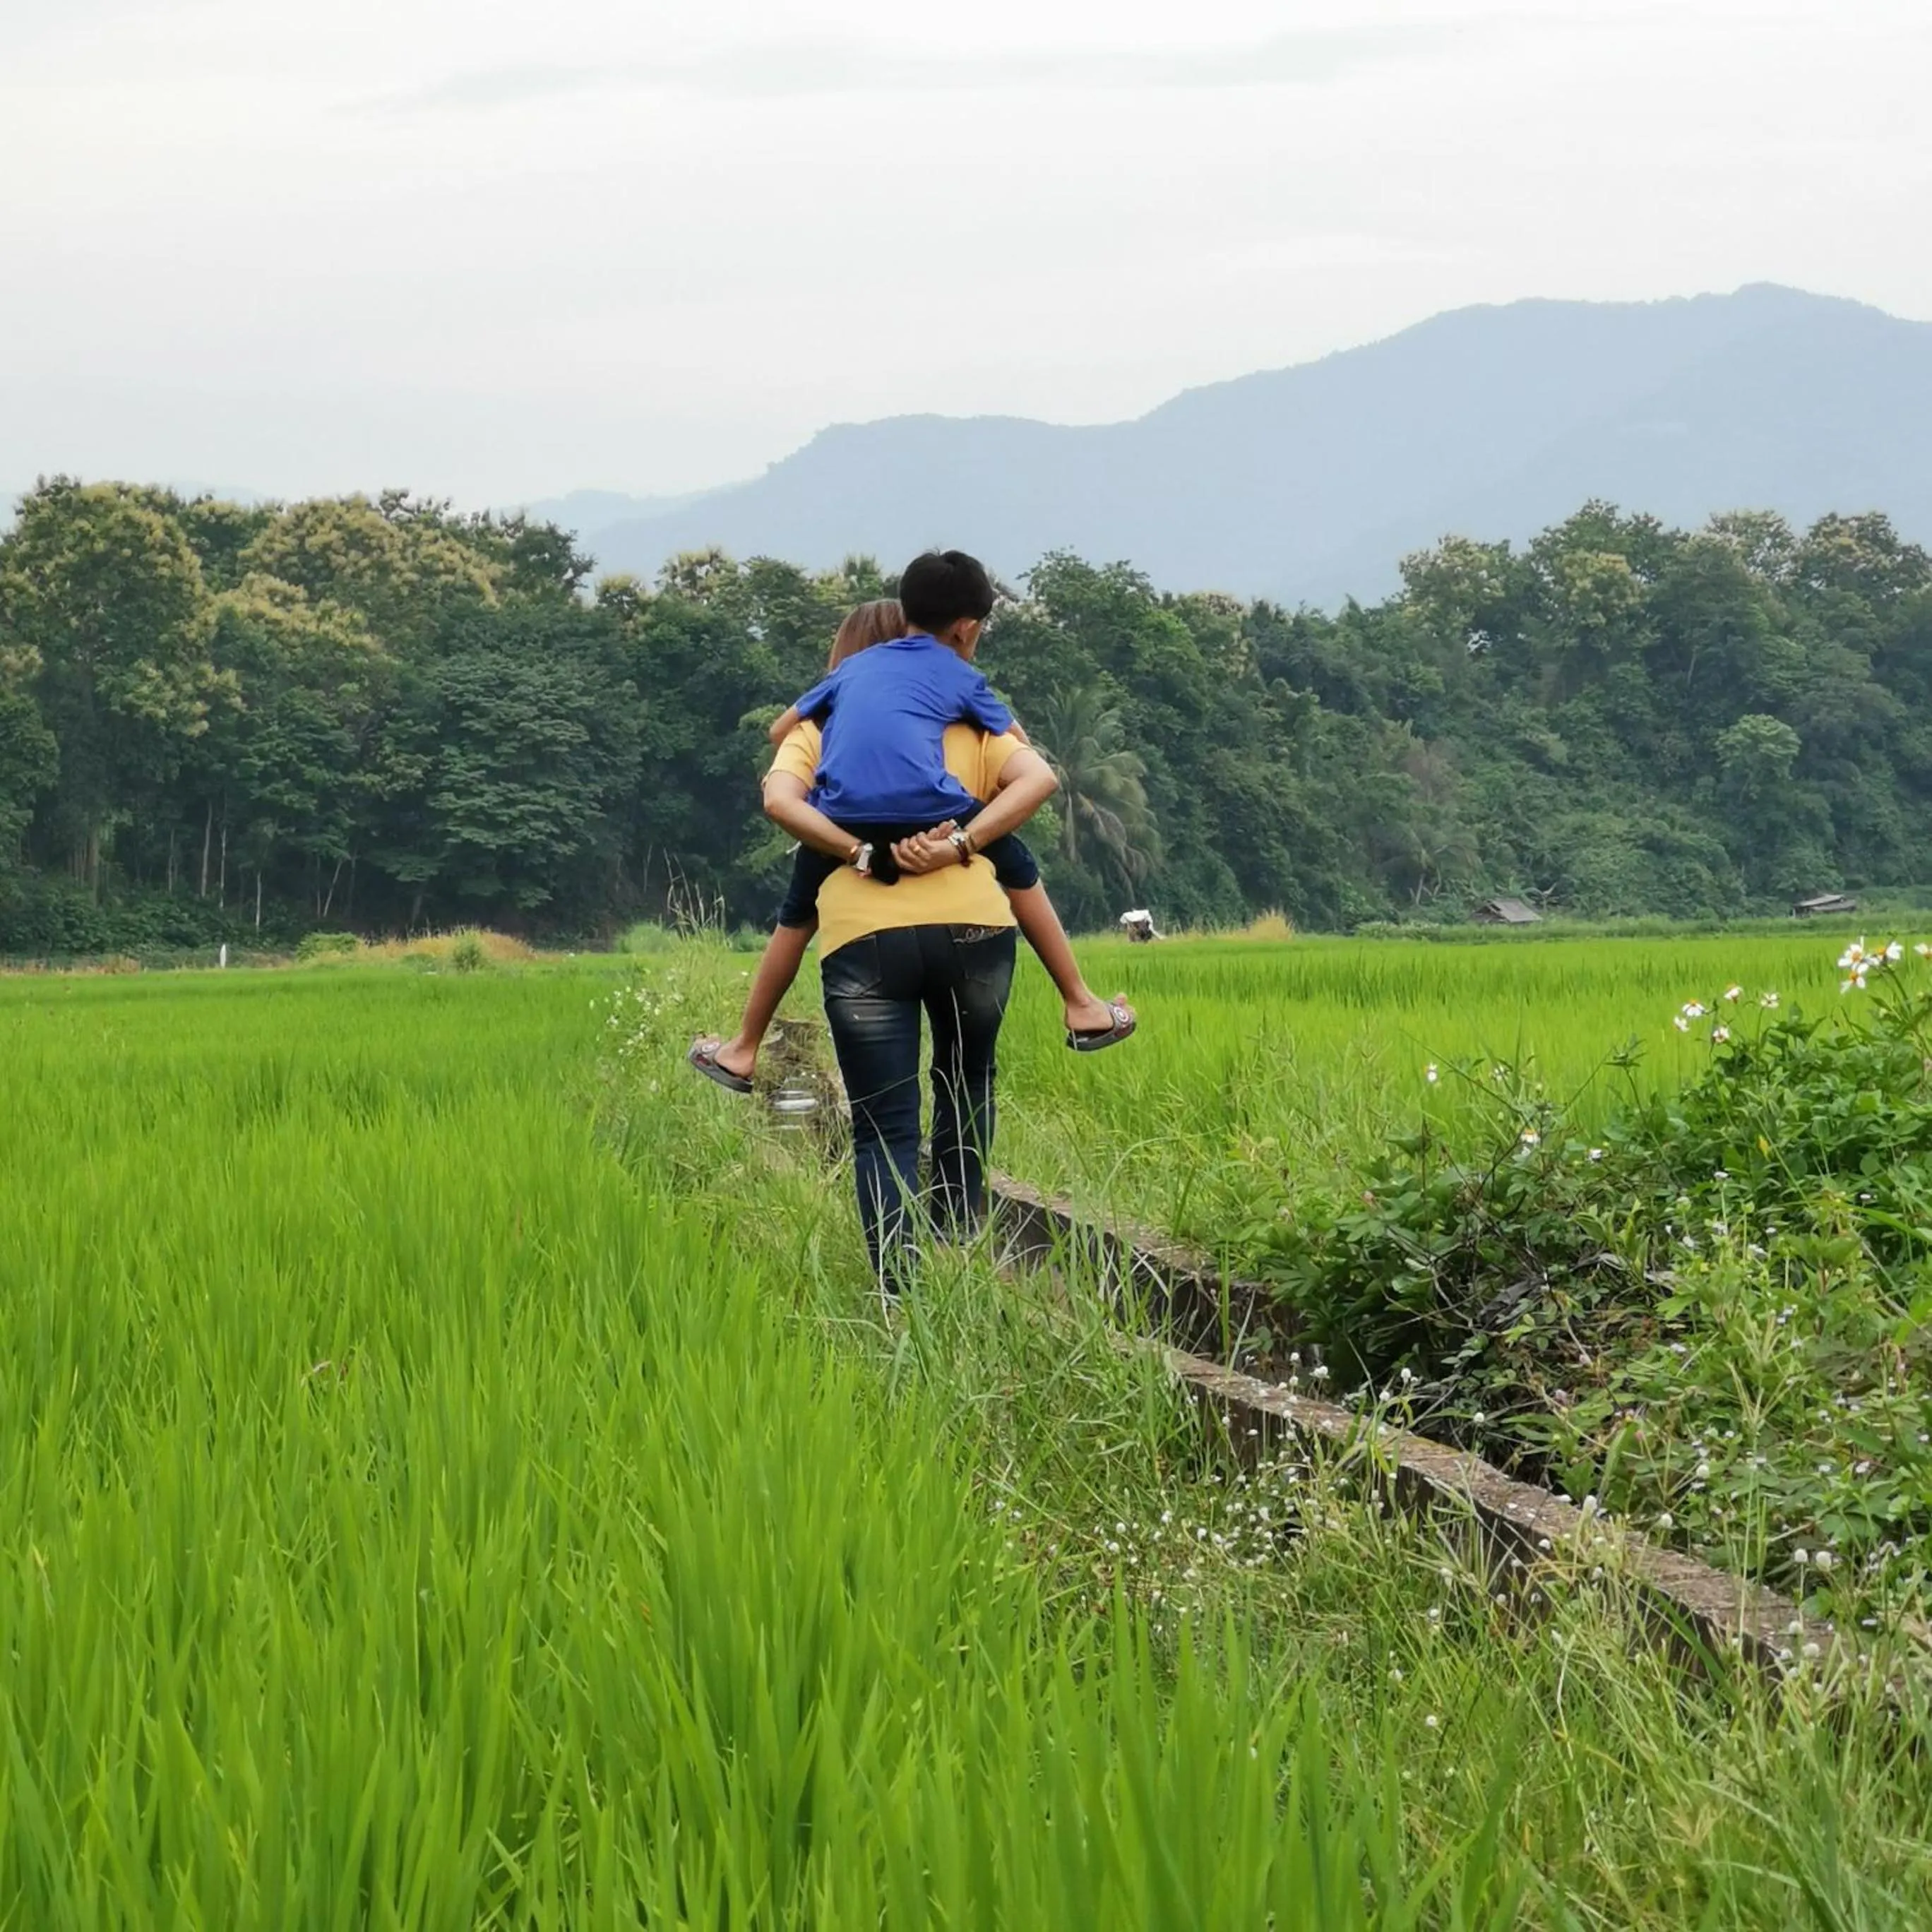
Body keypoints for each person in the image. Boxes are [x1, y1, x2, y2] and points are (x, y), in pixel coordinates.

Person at [756, 551, 1076, 1290]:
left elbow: (779, 793)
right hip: (976, 937)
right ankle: (960, 1244)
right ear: (964, 630)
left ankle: (900, 1295)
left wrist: (856, 850)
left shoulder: (826, 720)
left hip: (865, 948)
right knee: (965, 1086)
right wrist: (963, 840)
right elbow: (1035, 777)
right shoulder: (975, 714)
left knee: (883, 1130)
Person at [688, 594, 1132, 1093]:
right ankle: (1080, 1001)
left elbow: (781, 753)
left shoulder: (834, 706)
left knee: (795, 915)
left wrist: (854, 849)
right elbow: (1024, 753)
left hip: (852, 839)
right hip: (949, 837)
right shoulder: (956, 705)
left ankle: (743, 1046)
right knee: (1017, 865)